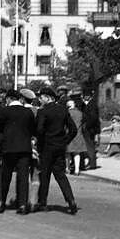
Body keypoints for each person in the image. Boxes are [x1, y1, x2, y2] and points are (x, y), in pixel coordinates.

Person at [33, 87, 78, 215]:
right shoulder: (63, 110)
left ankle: (42, 202)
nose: (40, 99)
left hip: (47, 147)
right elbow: (73, 130)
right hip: (59, 146)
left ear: (48, 97)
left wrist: (39, 142)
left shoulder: (43, 111)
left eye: (41, 97)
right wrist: (65, 141)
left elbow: (39, 130)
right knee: (60, 174)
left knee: (45, 175)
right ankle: (70, 199)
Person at [0, 89, 37, 215]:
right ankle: (22, 205)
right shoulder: (28, 112)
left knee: (5, 177)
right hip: (24, 148)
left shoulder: (4, 111)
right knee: (23, 177)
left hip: (8, 148)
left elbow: (0, 129)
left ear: (9, 98)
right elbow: (33, 130)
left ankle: (1, 202)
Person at [66, 99, 87, 175]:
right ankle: (77, 170)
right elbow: (84, 124)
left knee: (67, 153)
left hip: (68, 134)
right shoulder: (80, 113)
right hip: (78, 134)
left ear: (68, 106)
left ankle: (67, 168)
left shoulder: (67, 113)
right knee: (77, 153)